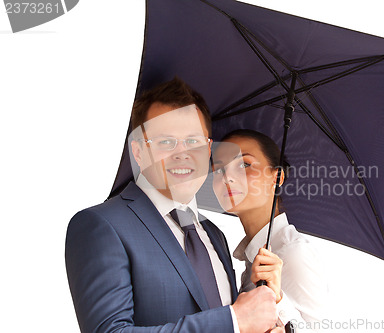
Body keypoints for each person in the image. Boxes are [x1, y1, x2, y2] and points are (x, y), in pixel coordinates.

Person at [65, 78, 281, 333]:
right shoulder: (102, 226)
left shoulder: (215, 236)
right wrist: (234, 320)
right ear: (138, 152)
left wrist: (256, 298)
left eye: (193, 141)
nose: (182, 153)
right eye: (166, 142)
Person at [212, 129, 330, 331]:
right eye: (218, 169)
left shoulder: (292, 253)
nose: (227, 177)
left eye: (244, 164)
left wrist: (278, 300)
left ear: (277, 178)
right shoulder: (248, 257)